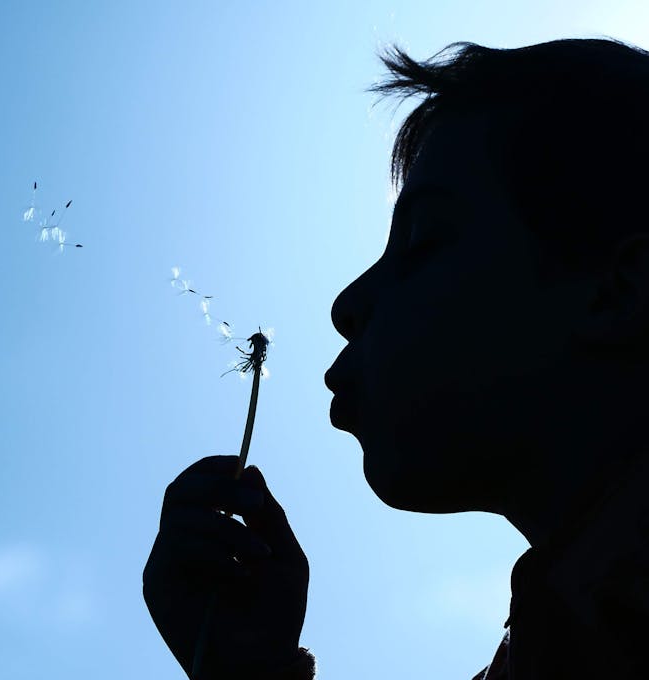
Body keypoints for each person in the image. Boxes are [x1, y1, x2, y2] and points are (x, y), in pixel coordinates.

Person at [143, 36, 649, 679]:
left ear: (617, 290)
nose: (346, 304)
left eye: (424, 239)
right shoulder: (561, 638)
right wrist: (250, 669)